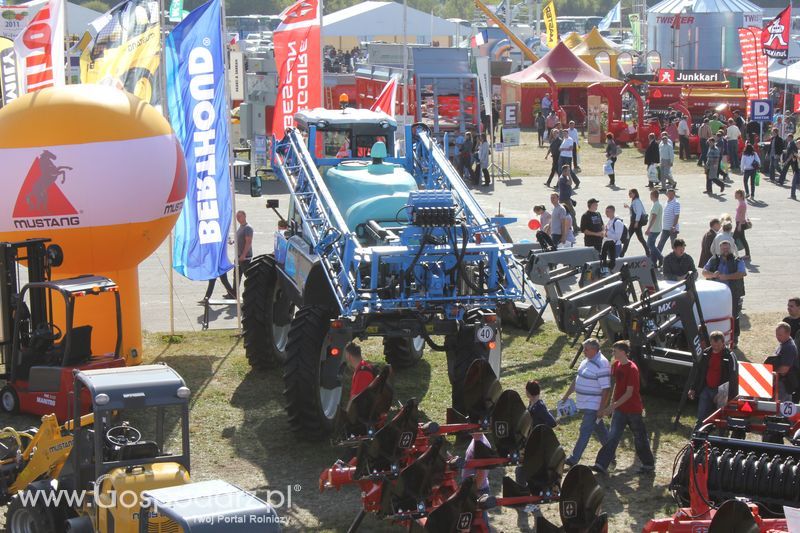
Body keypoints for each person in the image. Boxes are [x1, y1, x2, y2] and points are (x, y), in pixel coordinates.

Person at [593, 340, 655, 475]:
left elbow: (629, 393)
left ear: (622, 352)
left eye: (614, 351)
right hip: (619, 410)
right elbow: (615, 384)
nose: (612, 353)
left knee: (640, 438)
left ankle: (648, 464)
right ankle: (601, 464)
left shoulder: (632, 369)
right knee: (612, 436)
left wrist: (611, 406)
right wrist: (611, 404)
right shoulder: (617, 365)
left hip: (633, 410)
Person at [561, 338, 611, 467]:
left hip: (593, 405)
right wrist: (566, 395)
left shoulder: (602, 364)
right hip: (586, 403)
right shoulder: (586, 361)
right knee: (600, 429)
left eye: (586, 349)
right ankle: (611, 452)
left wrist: (601, 408)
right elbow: (577, 380)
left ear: (595, 350)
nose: (584, 351)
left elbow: (606, 389)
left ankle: (573, 459)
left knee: (585, 430)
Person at [687, 331, 738, 429]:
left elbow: (734, 378)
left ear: (723, 342)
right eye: (713, 345)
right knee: (701, 417)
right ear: (710, 343)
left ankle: (722, 437)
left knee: (722, 418)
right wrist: (693, 388)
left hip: (722, 392)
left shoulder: (729, 356)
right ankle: (696, 436)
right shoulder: (706, 353)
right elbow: (699, 372)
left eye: (718, 345)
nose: (716, 347)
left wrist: (726, 395)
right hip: (706, 389)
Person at [703, 241, 747, 345]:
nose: (725, 250)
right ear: (720, 249)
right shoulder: (714, 259)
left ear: (730, 248)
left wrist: (726, 276)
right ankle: (715, 337)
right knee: (715, 314)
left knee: (733, 315)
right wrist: (713, 275)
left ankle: (734, 338)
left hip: (732, 294)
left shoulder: (737, 260)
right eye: (723, 249)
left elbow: (742, 273)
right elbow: (704, 272)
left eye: (727, 248)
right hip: (716, 294)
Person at [462, 432, 491, 525]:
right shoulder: (476, 440)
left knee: (480, 524)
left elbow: (481, 474)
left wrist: (471, 492)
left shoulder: (480, 444)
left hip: (478, 491)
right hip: (476, 489)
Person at [765, 323, 799, 402]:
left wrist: (771, 373)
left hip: (784, 383)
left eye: (780, 335)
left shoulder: (789, 347)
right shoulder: (784, 344)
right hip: (781, 382)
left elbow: (784, 369)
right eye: (776, 334)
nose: (777, 337)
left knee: (780, 408)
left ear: (788, 334)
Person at [621, 189, 648, 257]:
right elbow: (634, 211)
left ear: (635, 193)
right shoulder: (634, 201)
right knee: (640, 238)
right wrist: (628, 207)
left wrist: (636, 222)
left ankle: (622, 254)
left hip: (635, 223)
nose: (629, 194)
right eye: (629, 193)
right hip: (634, 222)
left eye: (630, 193)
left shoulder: (637, 201)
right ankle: (648, 251)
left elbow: (638, 212)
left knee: (628, 237)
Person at [656, 188, 680, 254]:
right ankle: (656, 258)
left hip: (672, 228)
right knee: (660, 244)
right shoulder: (667, 202)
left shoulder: (676, 203)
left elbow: (677, 215)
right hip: (665, 228)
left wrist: (673, 226)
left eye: (671, 194)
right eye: (668, 194)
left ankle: (676, 259)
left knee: (674, 245)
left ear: (674, 194)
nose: (670, 195)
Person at [645, 189, 664, 268]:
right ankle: (654, 262)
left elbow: (654, 217)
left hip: (654, 229)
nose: (650, 197)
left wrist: (648, 228)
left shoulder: (656, 205)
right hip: (657, 228)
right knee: (651, 245)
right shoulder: (658, 204)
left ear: (653, 196)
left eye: (650, 195)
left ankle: (660, 258)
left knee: (650, 244)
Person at [236, 210, 254, 281]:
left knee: (248, 276)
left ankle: (252, 291)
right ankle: (233, 292)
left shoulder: (247, 228)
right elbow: (240, 239)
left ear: (244, 216)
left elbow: (248, 242)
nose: (238, 218)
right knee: (236, 277)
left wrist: (243, 255)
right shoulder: (241, 227)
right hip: (239, 256)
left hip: (245, 257)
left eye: (239, 216)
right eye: (237, 217)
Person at [733, 190, 751, 261]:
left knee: (733, 239)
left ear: (740, 195)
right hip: (739, 223)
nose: (735, 195)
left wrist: (739, 225)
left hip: (740, 223)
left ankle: (731, 254)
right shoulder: (741, 202)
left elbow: (742, 215)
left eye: (736, 194)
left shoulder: (742, 204)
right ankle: (747, 254)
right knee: (742, 239)